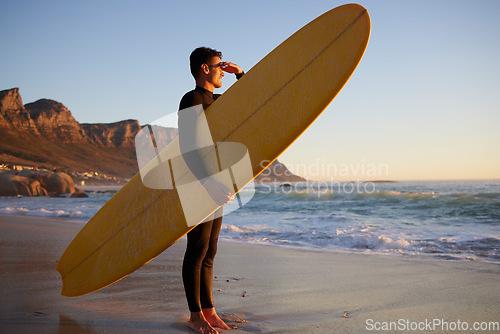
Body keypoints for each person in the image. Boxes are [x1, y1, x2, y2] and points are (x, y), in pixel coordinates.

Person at [178, 47, 244, 334]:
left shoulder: (214, 100)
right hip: (198, 182)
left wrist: (240, 73)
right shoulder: (191, 99)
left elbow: (251, 101)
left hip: (213, 182)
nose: (222, 71)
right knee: (196, 249)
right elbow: (187, 147)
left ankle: (209, 311)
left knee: (209, 251)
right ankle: (195, 317)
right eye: (220, 66)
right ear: (204, 68)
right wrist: (206, 182)